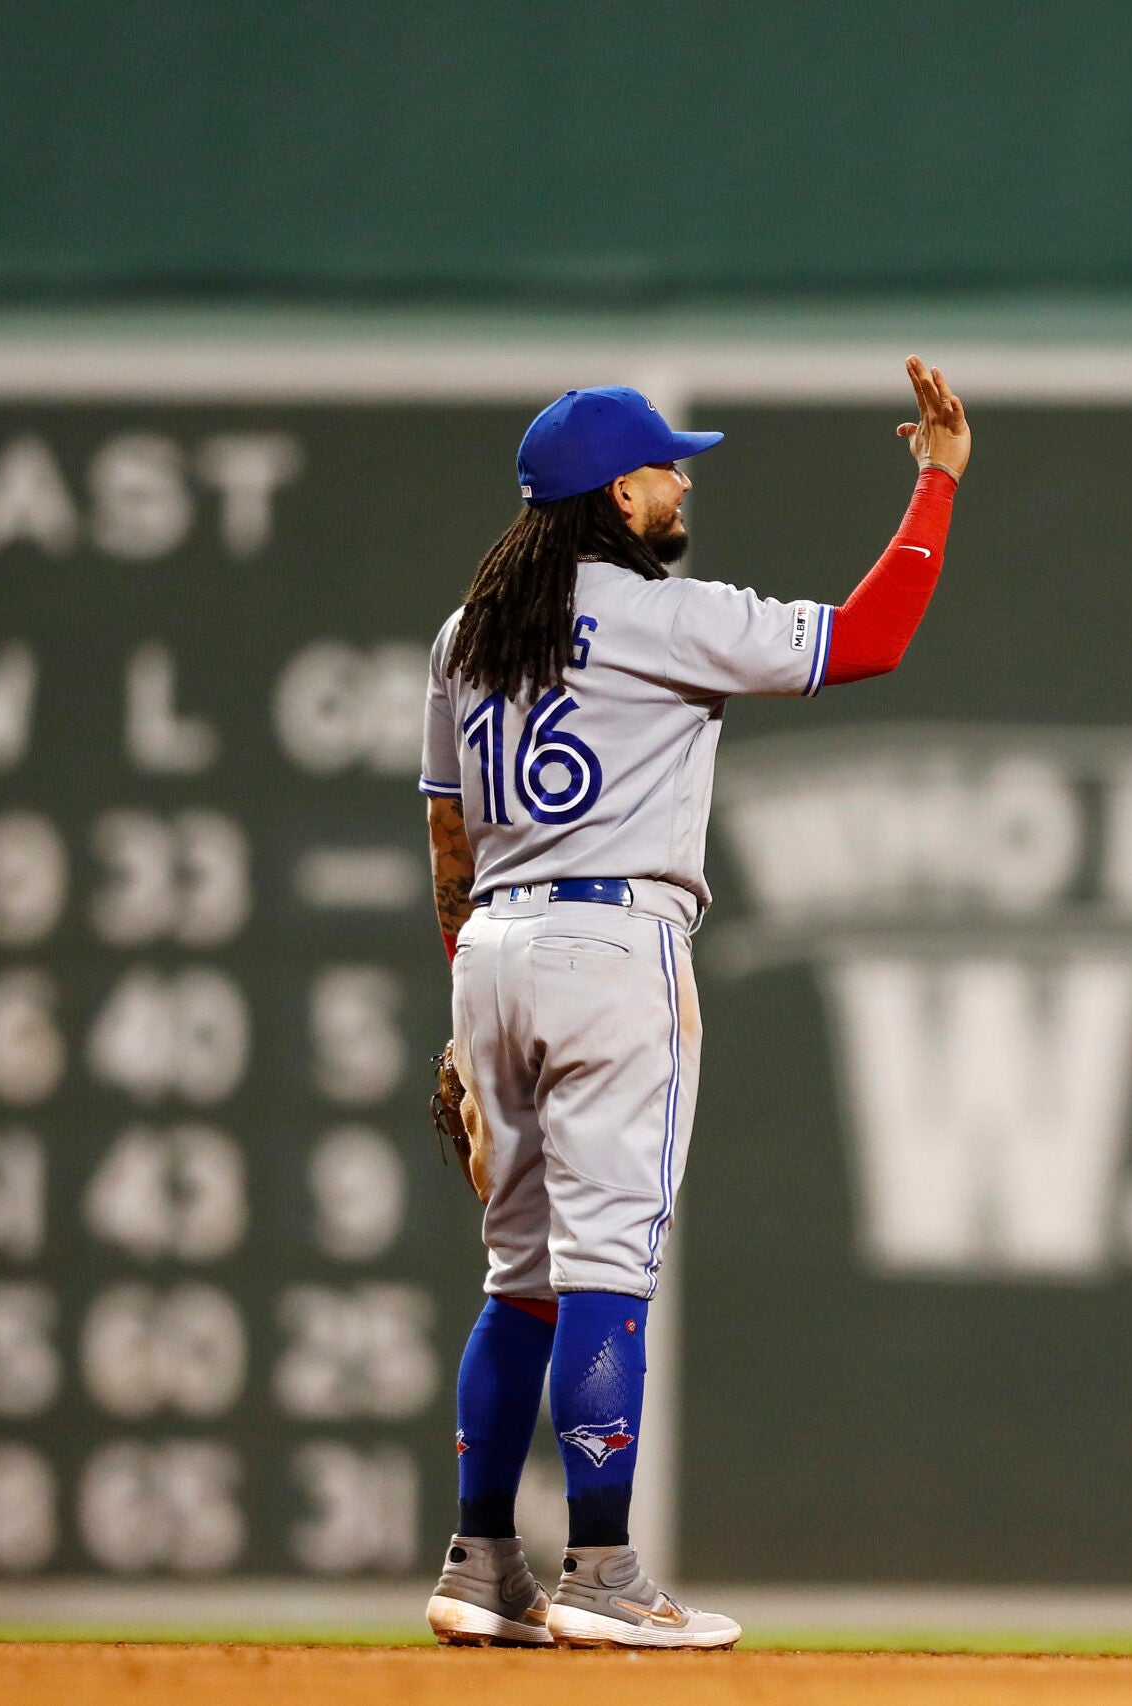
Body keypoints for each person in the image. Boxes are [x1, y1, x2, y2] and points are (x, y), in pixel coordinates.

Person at [417, 360, 970, 1648]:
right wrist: (937, 482)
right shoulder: (662, 615)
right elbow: (869, 637)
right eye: (669, 465)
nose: (682, 481)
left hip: (493, 944)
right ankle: (602, 1570)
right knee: (607, 1267)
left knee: (520, 1277)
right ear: (620, 491)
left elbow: (449, 836)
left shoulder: (468, 632)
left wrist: (465, 994)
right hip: (613, 943)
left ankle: (480, 1560)